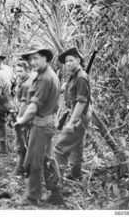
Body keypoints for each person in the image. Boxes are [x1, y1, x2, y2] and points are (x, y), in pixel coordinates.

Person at [14, 47, 63, 206]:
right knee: (46, 159)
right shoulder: (49, 74)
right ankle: (56, 193)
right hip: (47, 123)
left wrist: (21, 120)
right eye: (31, 59)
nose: (32, 62)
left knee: (32, 163)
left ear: (45, 59)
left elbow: (34, 107)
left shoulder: (44, 79)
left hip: (41, 127)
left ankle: (32, 198)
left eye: (36, 58)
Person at [54, 48, 91, 181]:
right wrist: (65, 86)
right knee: (76, 145)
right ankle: (75, 174)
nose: (68, 63)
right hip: (77, 114)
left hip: (79, 117)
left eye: (71, 60)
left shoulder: (81, 77)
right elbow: (72, 88)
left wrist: (71, 122)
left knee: (60, 147)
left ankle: (55, 183)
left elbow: (81, 103)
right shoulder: (73, 75)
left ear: (78, 60)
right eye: (66, 61)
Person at [12, 60, 37, 175]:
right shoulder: (27, 79)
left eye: (21, 71)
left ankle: (20, 167)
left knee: (20, 140)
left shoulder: (26, 84)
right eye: (17, 71)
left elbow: (25, 104)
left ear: (27, 71)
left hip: (26, 113)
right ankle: (27, 164)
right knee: (27, 139)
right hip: (32, 113)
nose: (18, 73)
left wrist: (19, 119)